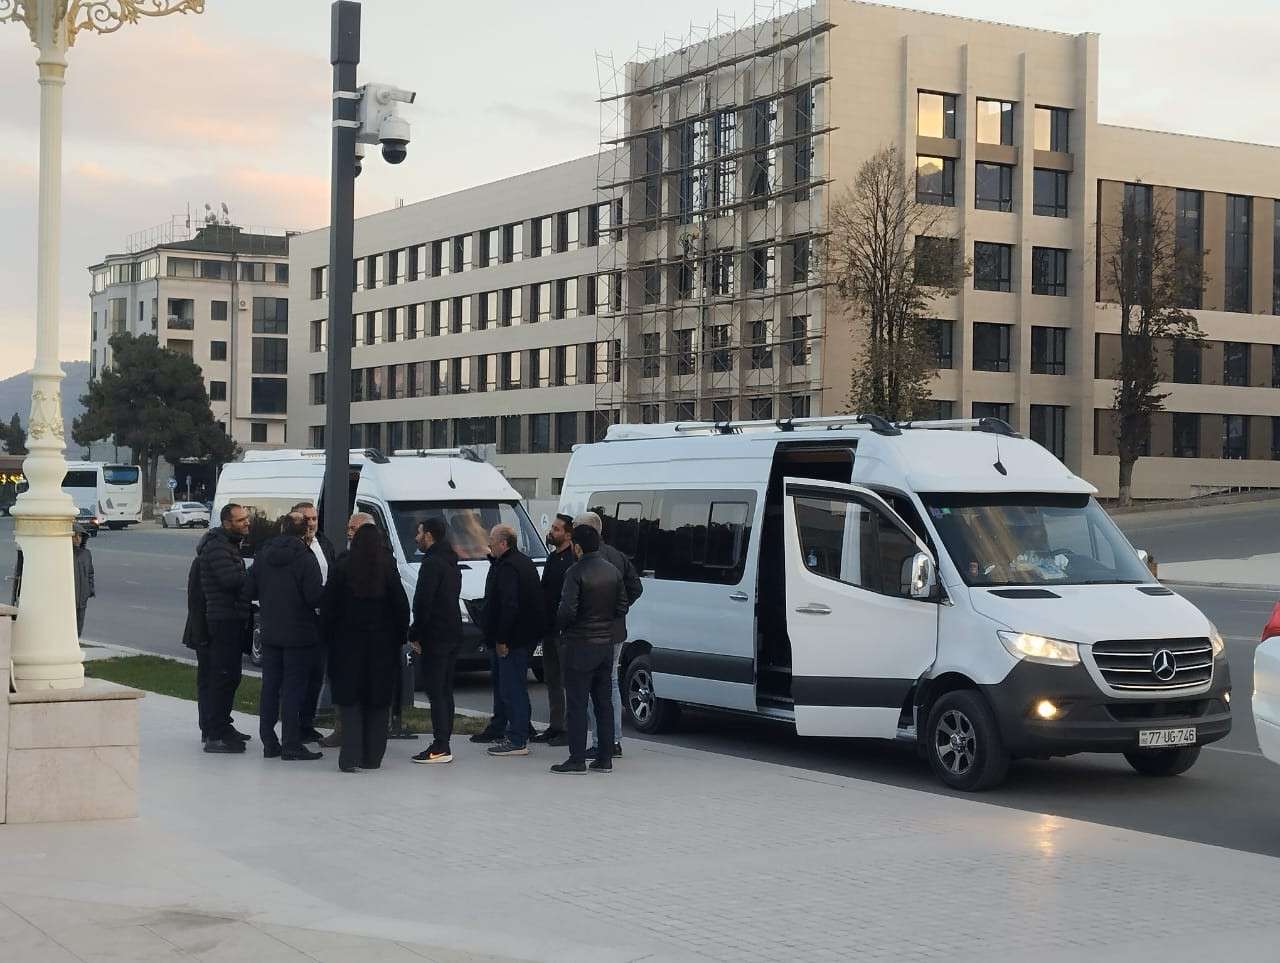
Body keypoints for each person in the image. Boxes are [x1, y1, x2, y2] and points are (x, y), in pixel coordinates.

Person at [324, 524, 409, 772]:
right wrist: (398, 637)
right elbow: (401, 607)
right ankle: (373, 757)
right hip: (382, 648)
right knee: (378, 703)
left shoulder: (342, 567)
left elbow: (328, 607)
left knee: (350, 703)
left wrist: (329, 637)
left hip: (347, 645)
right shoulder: (387, 568)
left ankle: (349, 756)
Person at [245, 512, 325, 761]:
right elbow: (314, 597)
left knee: (270, 687)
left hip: (270, 631)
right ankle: (291, 743)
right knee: (293, 690)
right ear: (304, 531)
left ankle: (269, 742)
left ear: (282, 529)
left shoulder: (263, 555)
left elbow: (249, 589)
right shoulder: (305, 558)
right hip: (300, 633)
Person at [550, 524, 629, 775]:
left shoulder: (575, 572)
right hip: (605, 644)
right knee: (603, 703)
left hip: (579, 644)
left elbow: (567, 610)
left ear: (577, 547)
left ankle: (576, 759)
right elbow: (622, 606)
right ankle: (605, 757)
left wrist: (561, 628)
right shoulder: (612, 571)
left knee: (577, 704)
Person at [573, 511, 643, 758]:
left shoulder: (587, 560)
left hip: (593, 633)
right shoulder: (618, 556)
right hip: (615, 630)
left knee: (595, 686)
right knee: (610, 680)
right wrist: (618, 610)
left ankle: (601, 740)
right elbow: (635, 587)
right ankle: (613, 739)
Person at [479, 523, 544, 757]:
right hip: (524, 636)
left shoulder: (508, 568)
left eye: (492, 541)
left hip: (513, 639)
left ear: (504, 543)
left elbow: (509, 605)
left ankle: (517, 739)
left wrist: (502, 638)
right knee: (514, 685)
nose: (489, 544)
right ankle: (517, 730)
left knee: (512, 688)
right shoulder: (522, 562)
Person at [196, 503, 252, 754]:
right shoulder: (218, 547)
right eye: (241, 520)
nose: (246, 523)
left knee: (231, 676)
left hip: (232, 618)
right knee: (221, 677)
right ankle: (214, 734)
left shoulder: (229, 544)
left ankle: (223, 725)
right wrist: (254, 577)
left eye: (246, 518)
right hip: (223, 620)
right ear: (227, 523)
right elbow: (230, 580)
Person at [408, 517, 463, 764]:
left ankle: (440, 745)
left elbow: (423, 602)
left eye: (419, 533)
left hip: (436, 635)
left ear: (429, 535)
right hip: (452, 632)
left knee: (436, 691)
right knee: (445, 691)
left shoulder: (431, 563)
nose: (416, 538)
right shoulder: (451, 560)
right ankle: (444, 741)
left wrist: (415, 633)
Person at [294, 501, 337, 746]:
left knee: (316, 676)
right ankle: (294, 727)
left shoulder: (324, 543)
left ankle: (307, 724)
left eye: (314, 518)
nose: (311, 523)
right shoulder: (293, 547)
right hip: (300, 620)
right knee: (299, 677)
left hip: (323, 620)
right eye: (306, 519)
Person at [530, 514, 575, 746]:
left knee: (567, 681)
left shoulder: (573, 560)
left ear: (568, 534)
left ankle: (568, 728)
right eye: (552, 528)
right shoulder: (552, 558)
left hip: (564, 632)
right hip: (548, 629)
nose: (552, 532)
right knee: (551, 679)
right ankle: (555, 725)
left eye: (557, 529)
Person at [72, 524, 95, 637]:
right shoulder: (64, 554)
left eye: (80, 536)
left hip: (82, 598)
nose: (78, 539)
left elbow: (90, 573)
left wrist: (89, 590)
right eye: (74, 536)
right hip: (69, 599)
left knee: (79, 627)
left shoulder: (86, 554)